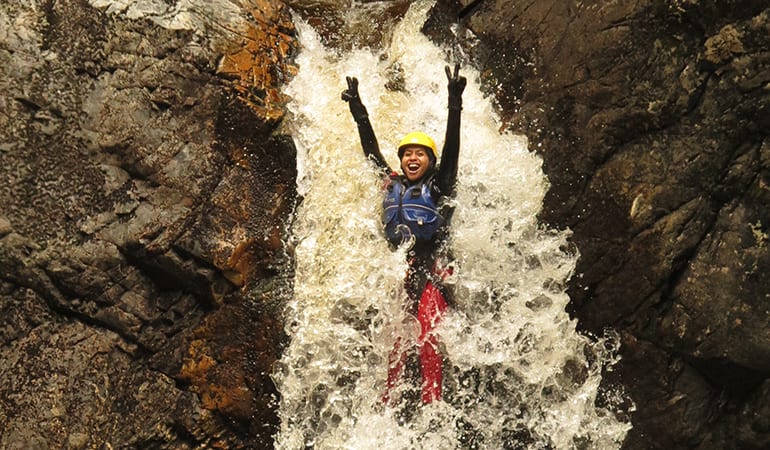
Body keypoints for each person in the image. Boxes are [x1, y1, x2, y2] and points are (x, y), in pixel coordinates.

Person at [342, 64, 466, 405]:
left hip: (433, 268)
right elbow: (371, 152)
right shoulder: (391, 182)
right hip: (402, 269)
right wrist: (359, 112)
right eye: (408, 154)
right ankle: (389, 401)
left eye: (420, 154)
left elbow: (452, 148)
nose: (413, 158)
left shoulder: (439, 186)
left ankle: (433, 404)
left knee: (427, 332)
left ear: (430, 161)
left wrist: (454, 102)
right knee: (396, 338)